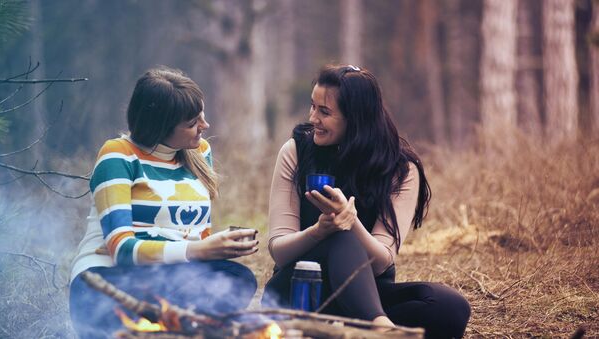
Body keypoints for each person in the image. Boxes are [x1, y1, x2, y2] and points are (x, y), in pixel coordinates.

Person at [263, 64, 470, 338]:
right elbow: (279, 249)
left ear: (356, 119)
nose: (313, 118)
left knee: (450, 306)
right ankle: (380, 329)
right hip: (299, 291)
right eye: (312, 106)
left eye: (324, 112)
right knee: (337, 235)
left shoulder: (400, 168)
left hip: (365, 295)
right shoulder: (296, 151)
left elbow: (382, 261)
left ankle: (360, 327)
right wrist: (320, 231)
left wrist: (353, 223)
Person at [69, 67, 258, 338]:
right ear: (160, 126)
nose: (205, 127)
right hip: (109, 280)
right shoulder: (118, 156)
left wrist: (216, 248)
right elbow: (122, 250)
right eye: (193, 122)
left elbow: (197, 235)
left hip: (169, 279)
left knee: (237, 279)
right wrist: (199, 250)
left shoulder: (199, 152)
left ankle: (170, 326)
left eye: (202, 116)